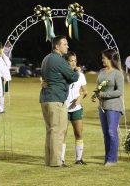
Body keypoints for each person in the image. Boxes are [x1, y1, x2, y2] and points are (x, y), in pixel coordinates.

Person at [39, 35, 80, 167]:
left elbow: (45, 77)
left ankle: (49, 160)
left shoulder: (46, 58)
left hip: (46, 98)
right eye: (65, 44)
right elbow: (72, 77)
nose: (67, 46)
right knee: (58, 130)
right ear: (57, 46)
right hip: (56, 98)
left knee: (51, 130)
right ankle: (56, 162)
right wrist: (77, 71)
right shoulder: (59, 60)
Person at [91, 49, 124, 167]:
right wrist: (96, 94)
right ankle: (107, 159)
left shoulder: (117, 73)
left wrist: (104, 95)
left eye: (104, 57)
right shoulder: (101, 71)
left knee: (111, 131)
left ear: (110, 59)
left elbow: (120, 92)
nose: (102, 59)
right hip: (102, 107)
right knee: (106, 133)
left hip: (114, 106)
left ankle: (112, 159)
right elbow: (99, 86)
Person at [61, 51, 87, 165]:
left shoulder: (80, 75)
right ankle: (61, 159)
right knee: (62, 134)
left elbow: (85, 91)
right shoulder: (61, 74)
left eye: (75, 61)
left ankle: (79, 159)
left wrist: (79, 99)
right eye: (71, 61)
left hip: (76, 108)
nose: (73, 63)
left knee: (78, 133)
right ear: (66, 62)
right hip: (63, 108)